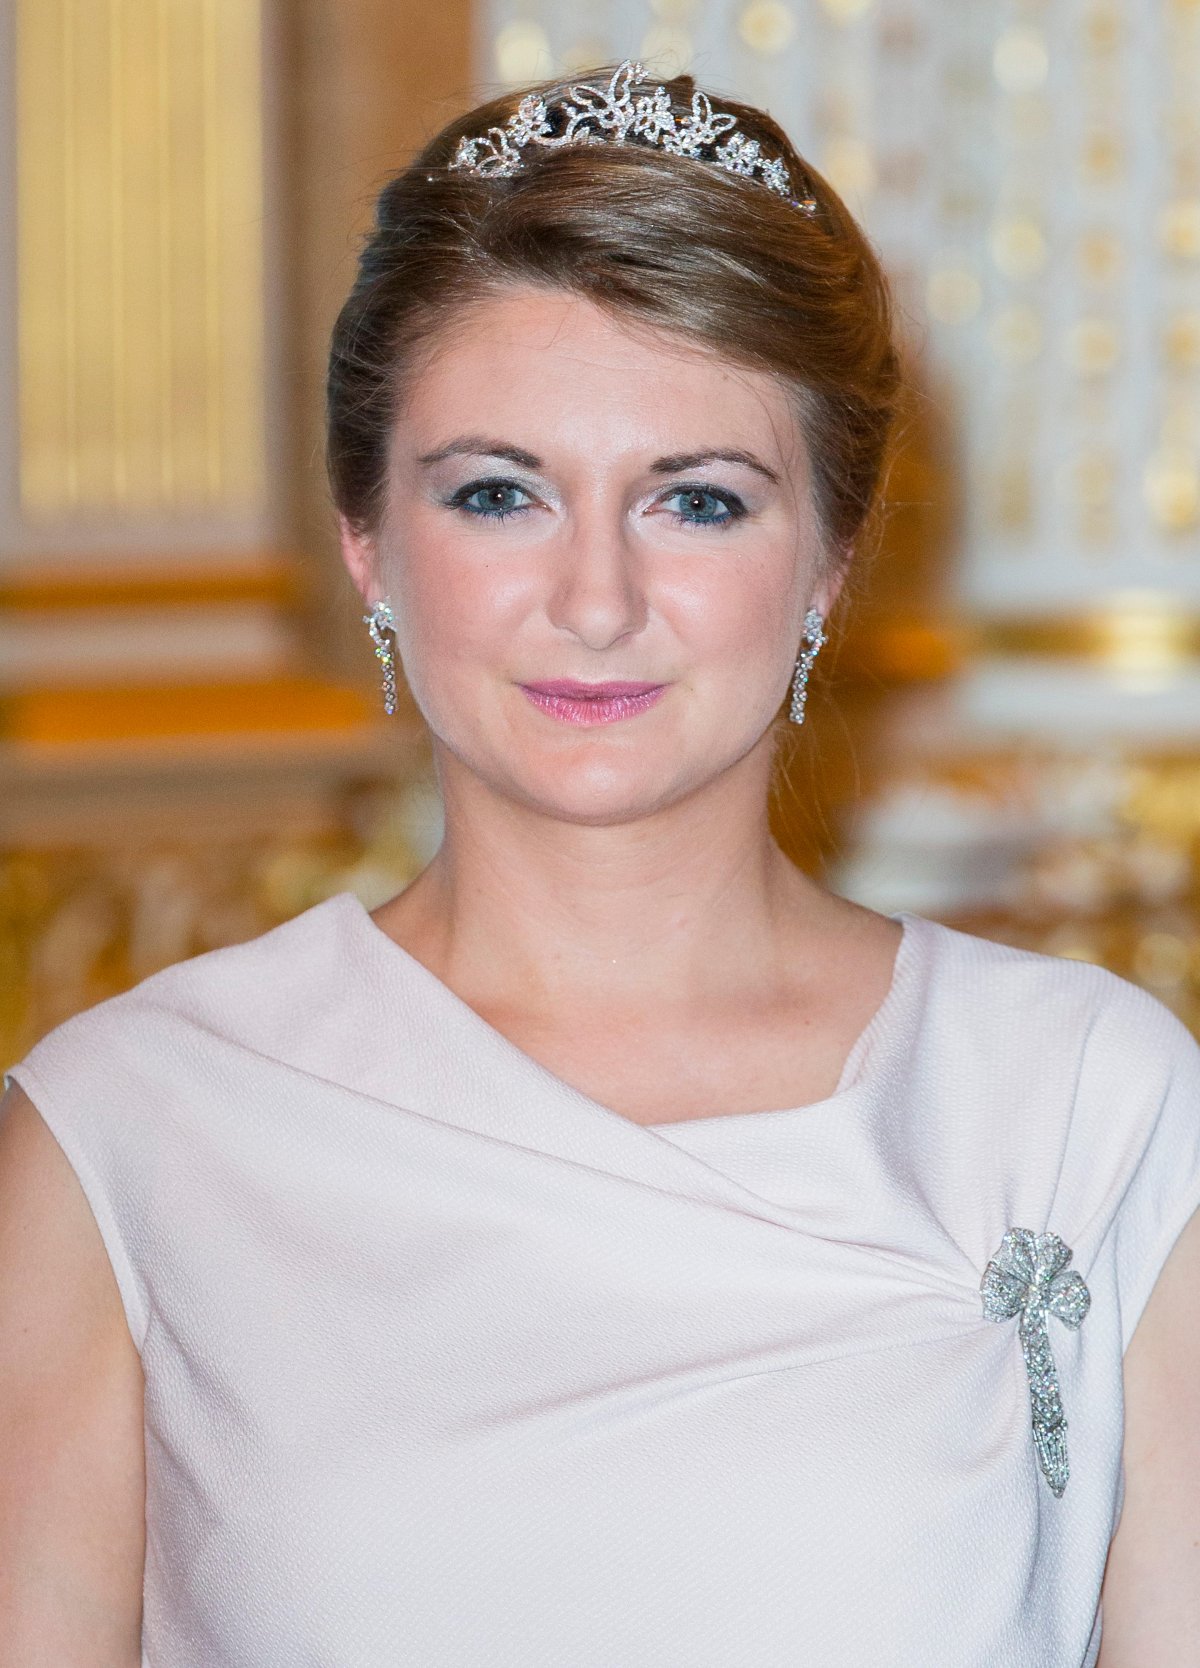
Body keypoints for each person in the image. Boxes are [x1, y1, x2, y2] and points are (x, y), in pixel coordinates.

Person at [1, 59, 1197, 1668]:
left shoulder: (1081, 1106)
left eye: (695, 502)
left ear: (831, 557)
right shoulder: (128, 1135)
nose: (595, 599)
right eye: (499, 494)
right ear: (367, 539)